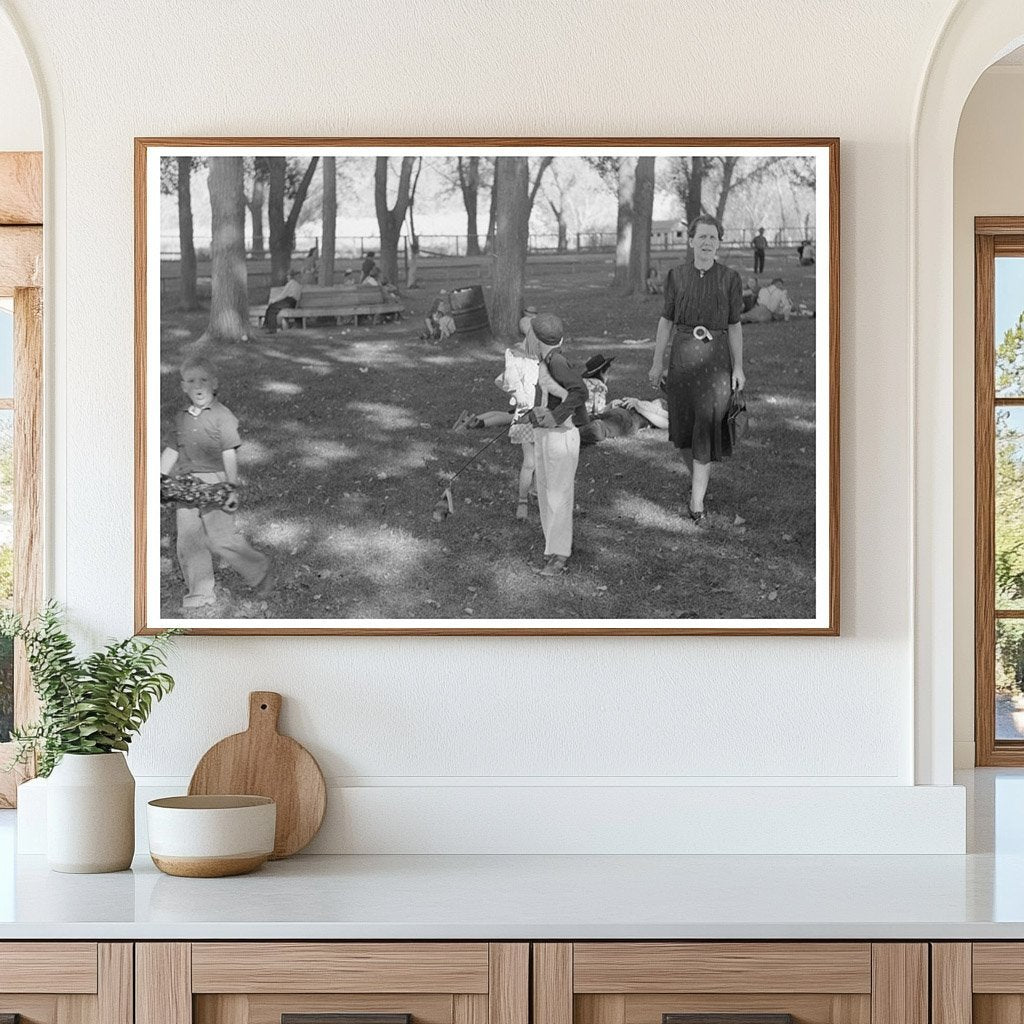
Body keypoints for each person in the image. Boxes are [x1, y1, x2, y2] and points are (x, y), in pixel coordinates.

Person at [648, 214, 745, 526]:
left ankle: (696, 503)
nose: (707, 243)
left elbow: (734, 325)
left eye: (713, 238)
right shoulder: (676, 276)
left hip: (716, 362)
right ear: (690, 241)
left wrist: (738, 367)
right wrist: (656, 362)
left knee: (705, 426)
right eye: (702, 237)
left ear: (719, 243)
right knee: (686, 429)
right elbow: (666, 320)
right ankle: (698, 480)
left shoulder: (730, 278)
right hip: (682, 360)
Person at [159, 358, 273, 611]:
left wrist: (231, 486)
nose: (198, 386)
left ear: (215, 384)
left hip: (216, 483)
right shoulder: (181, 418)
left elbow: (229, 452)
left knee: (220, 538)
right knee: (189, 540)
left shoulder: (223, 416)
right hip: (185, 486)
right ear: (183, 386)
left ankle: (257, 567)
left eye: (204, 380)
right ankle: (200, 591)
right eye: (191, 381)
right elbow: (171, 448)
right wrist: (159, 478)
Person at [527, 314, 588, 575]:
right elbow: (548, 395)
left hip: (561, 437)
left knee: (558, 496)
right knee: (545, 493)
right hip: (546, 435)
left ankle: (560, 555)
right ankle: (552, 546)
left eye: (528, 333)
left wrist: (555, 416)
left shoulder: (557, 361)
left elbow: (579, 391)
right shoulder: (545, 360)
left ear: (537, 339)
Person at [263, 269, 302, 334]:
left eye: (288, 275)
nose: (287, 277)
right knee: (271, 307)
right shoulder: (298, 285)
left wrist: (273, 300)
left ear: (290, 276)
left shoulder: (291, 283)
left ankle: (272, 329)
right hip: (293, 303)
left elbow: (283, 295)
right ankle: (266, 325)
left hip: (288, 301)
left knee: (272, 308)